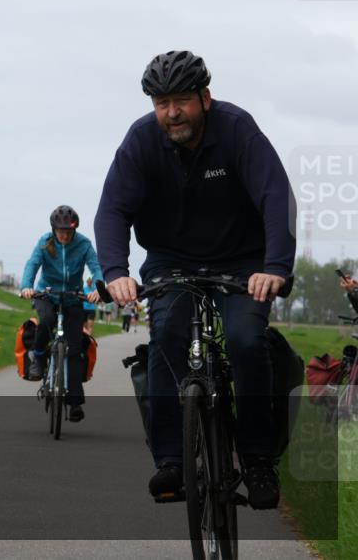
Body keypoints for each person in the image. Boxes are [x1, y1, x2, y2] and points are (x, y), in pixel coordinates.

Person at [94, 50, 295, 510]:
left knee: (246, 341)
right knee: (166, 335)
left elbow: (275, 197)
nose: (171, 113)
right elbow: (113, 210)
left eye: (181, 101)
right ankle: (172, 460)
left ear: (205, 97)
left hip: (244, 261)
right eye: (161, 103)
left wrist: (276, 267)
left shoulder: (237, 130)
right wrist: (115, 272)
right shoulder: (141, 141)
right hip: (170, 260)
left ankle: (258, 459)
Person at [19, 206, 103, 422]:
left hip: (73, 297)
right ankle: (37, 356)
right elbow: (32, 264)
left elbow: (96, 267)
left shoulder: (83, 244)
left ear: (74, 230)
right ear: (54, 229)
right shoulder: (46, 241)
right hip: (47, 293)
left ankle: (75, 404)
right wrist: (27, 286)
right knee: (46, 321)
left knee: (74, 348)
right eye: (60, 231)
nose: (64, 235)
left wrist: (98, 289)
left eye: (68, 231)